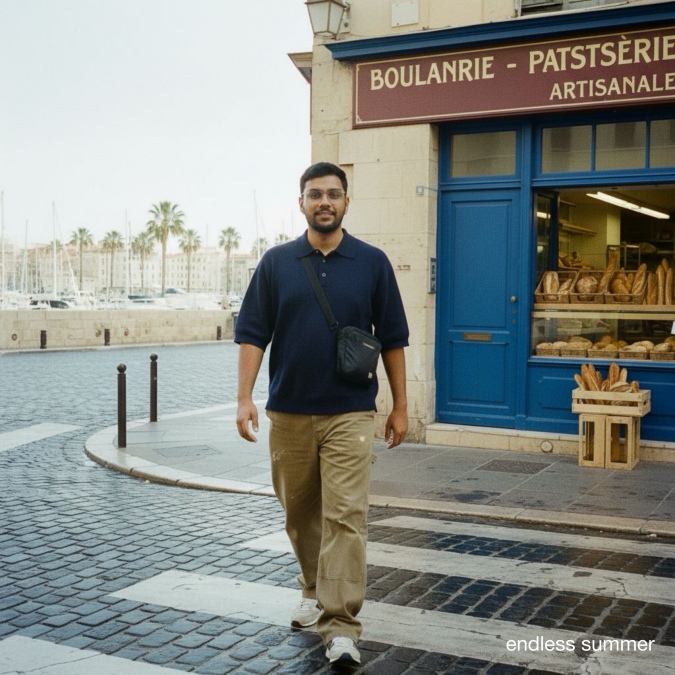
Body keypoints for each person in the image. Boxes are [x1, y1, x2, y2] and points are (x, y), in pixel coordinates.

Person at [235, 162, 409, 666]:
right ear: (302, 203)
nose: (325, 202)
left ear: (347, 203)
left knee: (346, 516)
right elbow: (252, 333)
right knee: (299, 512)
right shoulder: (276, 262)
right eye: (315, 194)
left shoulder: (372, 263)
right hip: (288, 411)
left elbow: (394, 338)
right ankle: (312, 586)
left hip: (350, 413)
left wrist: (399, 405)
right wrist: (245, 397)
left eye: (334, 194)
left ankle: (341, 623)